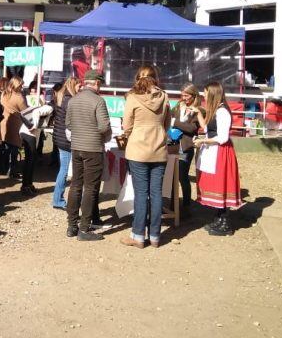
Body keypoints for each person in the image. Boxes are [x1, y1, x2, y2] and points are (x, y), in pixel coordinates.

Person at [120, 65, 171, 249]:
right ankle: (156, 236)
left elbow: (126, 126)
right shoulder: (164, 96)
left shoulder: (132, 97)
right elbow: (167, 124)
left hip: (138, 150)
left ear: (137, 78)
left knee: (141, 194)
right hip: (159, 149)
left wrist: (134, 131)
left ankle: (138, 236)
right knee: (156, 193)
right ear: (155, 77)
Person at [65, 70, 111, 241]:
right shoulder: (99, 101)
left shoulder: (73, 100)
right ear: (97, 83)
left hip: (76, 147)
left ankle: (71, 226)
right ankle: (84, 229)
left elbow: (68, 124)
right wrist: (103, 136)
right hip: (93, 148)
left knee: (76, 186)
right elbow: (104, 126)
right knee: (91, 188)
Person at [192, 81, 243, 236]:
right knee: (216, 184)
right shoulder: (216, 110)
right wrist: (199, 114)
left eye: (206, 92)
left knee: (221, 185)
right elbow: (208, 129)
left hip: (221, 152)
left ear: (212, 93)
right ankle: (219, 219)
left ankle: (225, 223)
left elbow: (222, 137)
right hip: (213, 151)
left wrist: (202, 141)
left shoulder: (222, 112)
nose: (204, 95)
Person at [170, 84, 203, 216]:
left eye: (186, 95)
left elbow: (191, 128)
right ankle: (173, 204)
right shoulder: (178, 105)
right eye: (182, 95)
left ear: (194, 95)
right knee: (172, 176)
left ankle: (186, 204)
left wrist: (175, 123)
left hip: (185, 146)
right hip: (173, 144)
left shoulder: (199, 110)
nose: (184, 98)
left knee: (182, 176)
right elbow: (170, 117)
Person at [51, 77, 79, 209]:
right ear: (74, 86)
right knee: (64, 170)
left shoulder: (60, 97)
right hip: (67, 140)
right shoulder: (70, 100)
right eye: (79, 85)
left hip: (59, 138)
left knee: (63, 169)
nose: (81, 88)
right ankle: (58, 200)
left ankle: (57, 198)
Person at [0, 76, 26, 177]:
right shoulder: (19, 97)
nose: (22, 87)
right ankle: (12, 170)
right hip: (15, 123)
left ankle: (1, 169)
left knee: (5, 148)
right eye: (21, 85)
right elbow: (25, 111)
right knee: (14, 149)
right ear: (17, 85)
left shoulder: (4, 94)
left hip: (4, 121)